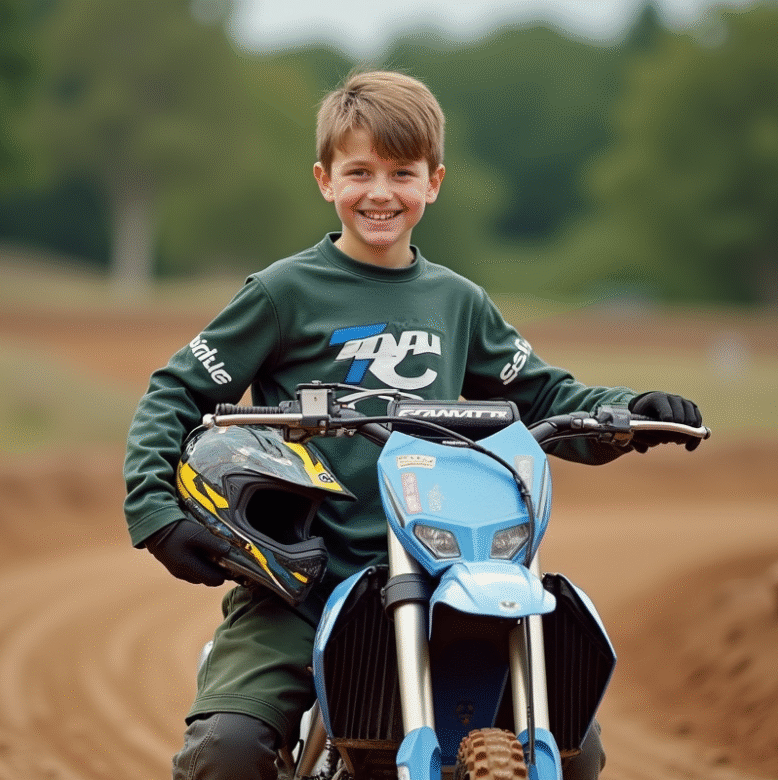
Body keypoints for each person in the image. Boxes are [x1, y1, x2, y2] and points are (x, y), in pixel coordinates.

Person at [123, 70, 702, 780]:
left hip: (449, 573)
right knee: (229, 752)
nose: (380, 192)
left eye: (402, 172)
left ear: (434, 182)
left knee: (576, 745)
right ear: (324, 179)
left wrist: (631, 412)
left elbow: (546, 395)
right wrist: (156, 513)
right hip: (303, 581)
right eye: (359, 171)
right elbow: (175, 389)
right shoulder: (282, 292)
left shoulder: (458, 302)